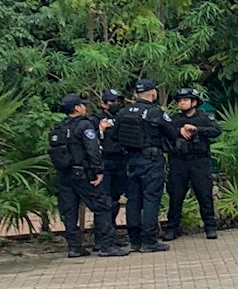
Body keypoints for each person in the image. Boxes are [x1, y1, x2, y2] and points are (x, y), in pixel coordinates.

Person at [48, 95, 131, 258]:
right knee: (102, 205)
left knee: (69, 210)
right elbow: (92, 149)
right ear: (77, 108)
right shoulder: (84, 125)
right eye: (82, 105)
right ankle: (106, 245)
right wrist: (98, 170)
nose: (84, 107)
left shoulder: (60, 126)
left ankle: (74, 247)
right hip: (83, 173)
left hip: (64, 174)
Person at [111, 79, 176, 254]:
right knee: (150, 200)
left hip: (131, 161)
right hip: (151, 161)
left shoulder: (123, 113)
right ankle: (149, 241)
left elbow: (115, 135)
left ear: (136, 94)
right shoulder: (154, 112)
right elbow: (172, 132)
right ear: (153, 92)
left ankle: (135, 240)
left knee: (133, 200)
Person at [162, 87, 222, 241]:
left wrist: (196, 130)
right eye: (180, 100)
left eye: (185, 100)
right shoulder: (174, 119)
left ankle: (210, 227)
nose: (181, 103)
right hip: (178, 161)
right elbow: (165, 132)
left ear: (194, 102)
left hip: (199, 161)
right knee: (176, 196)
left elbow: (216, 130)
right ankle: (172, 229)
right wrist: (179, 131)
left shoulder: (203, 118)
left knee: (204, 194)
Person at [97, 89, 129, 242]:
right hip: (105, 162)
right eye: (112, 101)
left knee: (116, 199)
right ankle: (101, 237)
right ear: (103, 104)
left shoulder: (121, 118)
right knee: (105, 200)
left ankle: (112, 232)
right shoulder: (96, 119)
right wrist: (100, 130)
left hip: (120, 161)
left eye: (118, 101)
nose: (116, 104)